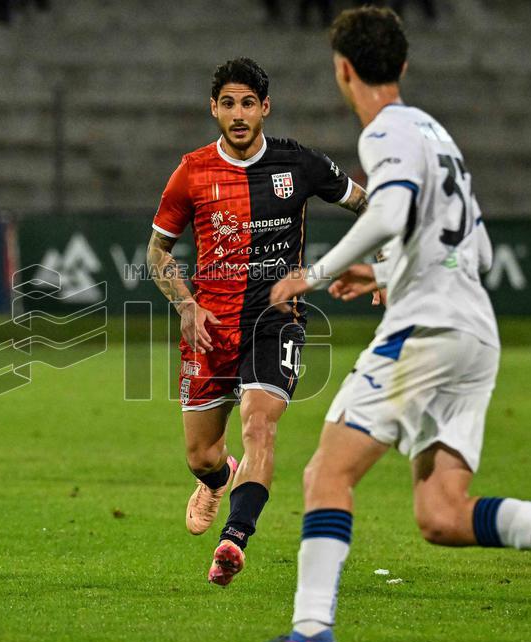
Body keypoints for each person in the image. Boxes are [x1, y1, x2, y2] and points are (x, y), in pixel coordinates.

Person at [231, 7, 531, 642]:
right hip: (475, 333)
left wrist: (316, 271)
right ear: (401, 65)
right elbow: (476, 252)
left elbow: (389, 209)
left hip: (428, 331)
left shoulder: (385, 133)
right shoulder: (434, 132)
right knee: (442, 514)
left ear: (343, 70)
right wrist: (387, 270)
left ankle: (310, 637)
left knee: (326, 472)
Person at [147, 57, 368, 586]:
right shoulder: (192, 172)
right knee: (202, 455)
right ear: (214, 110)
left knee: (258, 422)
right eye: (228, 103)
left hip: (276, 317)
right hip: (211, 324)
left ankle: (234, 538)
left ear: (265, 107)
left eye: (249, 103)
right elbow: (157, 252)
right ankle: (217, 480)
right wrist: (185, 304)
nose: (239, 114)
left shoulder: (300, 165)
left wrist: (384, 261)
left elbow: (372, 206)